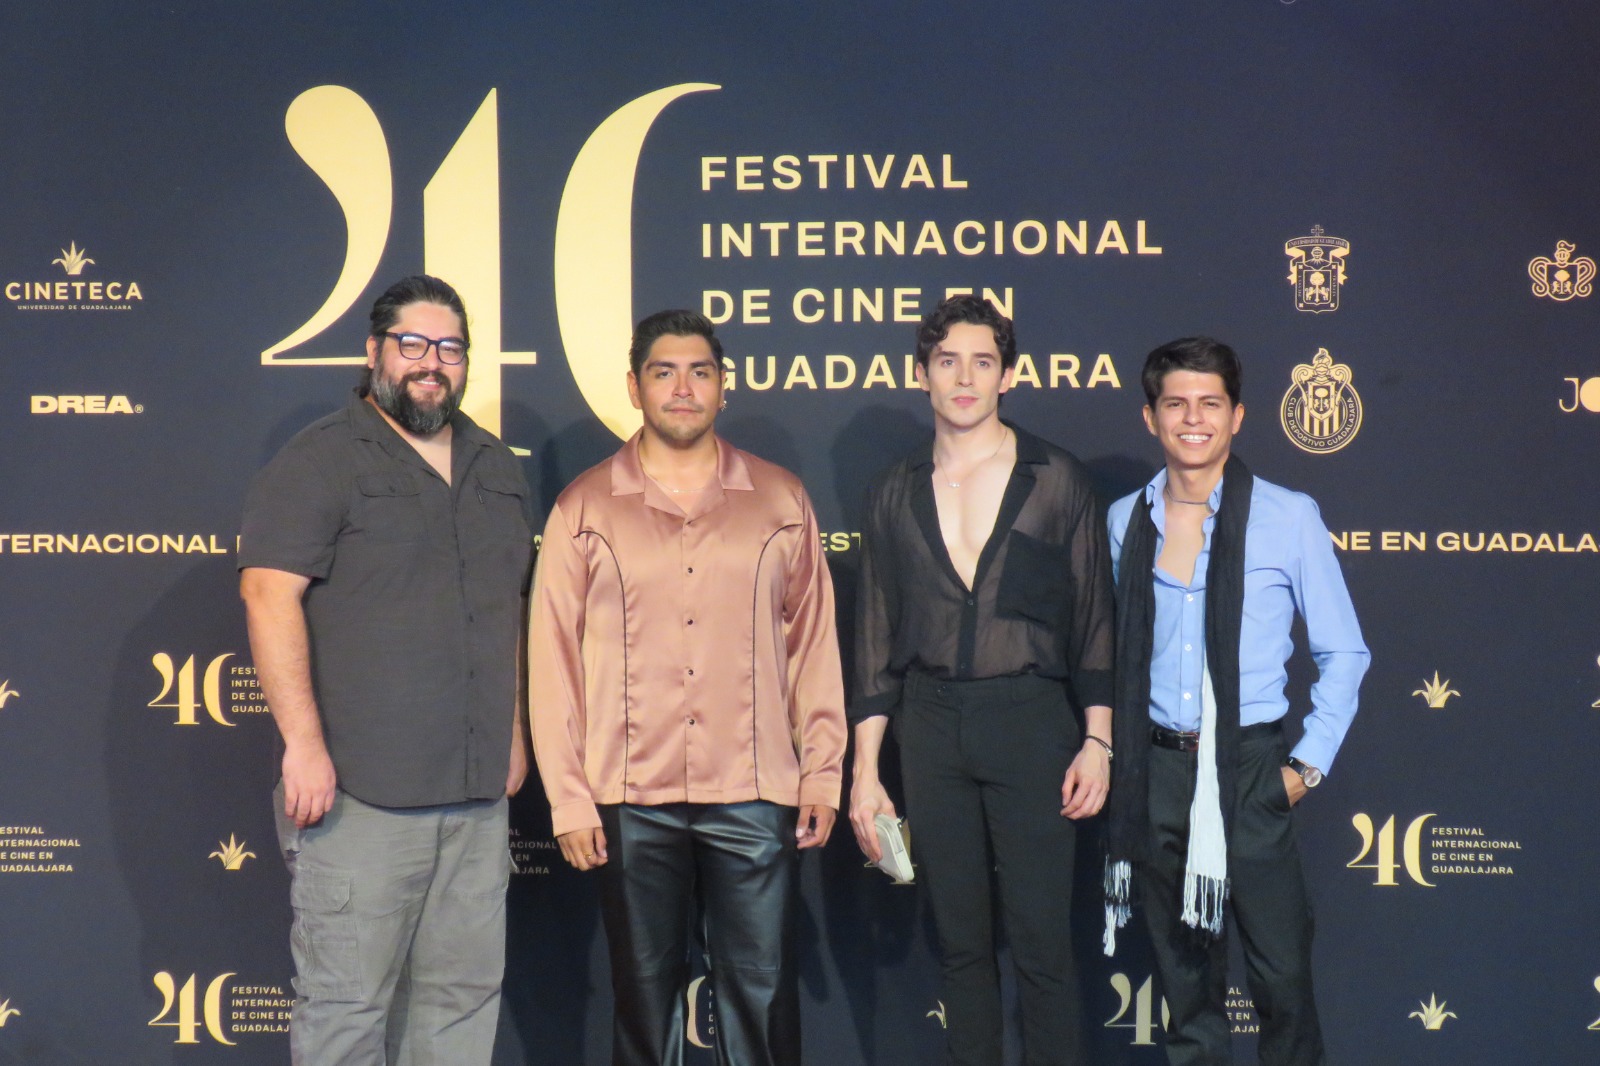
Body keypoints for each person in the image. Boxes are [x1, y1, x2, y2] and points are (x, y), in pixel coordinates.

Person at [528, 309, 847, 1066]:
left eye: (700, 371)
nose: (683, 387)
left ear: (722, 388)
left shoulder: (779, 499)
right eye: (664, 372)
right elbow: (552, 664)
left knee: (764, 1002)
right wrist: (570, 797)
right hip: (630, 798)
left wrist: (824, 771)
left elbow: (813, 646)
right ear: (634, 387)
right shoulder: (584, 507)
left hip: (755, 792)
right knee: (644, 1008)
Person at [239, 275, 535, 1065]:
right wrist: (303, 745)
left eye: (449, 348)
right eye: (412, 345)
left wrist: (511, 732)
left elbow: (504, 607)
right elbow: (268, 595)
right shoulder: (323, 458)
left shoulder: (498, 467)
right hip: (360, 797)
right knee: (346, 1015)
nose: (430, 363)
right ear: (375, 352)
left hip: (474, 801)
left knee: (457, 1012)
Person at [850, 294, 1116, 1066]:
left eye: (982, 362)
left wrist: (1097, 739)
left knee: (1041, 948)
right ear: (922, 374)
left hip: (1034, 722)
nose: (964, 378)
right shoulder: (893, 491)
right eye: (947, 361)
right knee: (960, 947)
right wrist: (866, 772)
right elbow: (874, 639)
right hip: (930, 728)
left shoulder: (1056, 479)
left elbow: (1095, 619)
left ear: (1009, 376)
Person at [1103, 337, 1369, 1065]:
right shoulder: (1125, 522)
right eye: (1177, 404)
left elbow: (1344, 651)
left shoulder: (1289, 517)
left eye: (1210, 404)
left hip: (1251, 768)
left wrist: (1304, 768)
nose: (1194, 419)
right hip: (1156, 770)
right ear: (1150, 417)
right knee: (1186, 987)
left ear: (1238, 416)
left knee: (1282, 981)